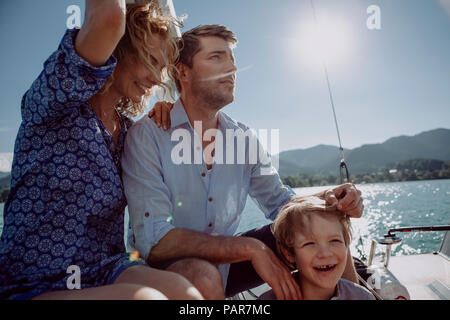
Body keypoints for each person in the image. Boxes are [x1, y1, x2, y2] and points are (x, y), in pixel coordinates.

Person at [122, 24, 364, 300]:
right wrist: (251, 248)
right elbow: (154, 241)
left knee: (325, 220)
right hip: (166, 271)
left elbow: (281, 203)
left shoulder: (243, 139)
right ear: (183, 72)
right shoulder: (148, 136)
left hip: (229, 263)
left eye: (232, 61)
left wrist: (332, 198)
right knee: (202, 275)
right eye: (216, 57)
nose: (232, 69)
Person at [0, 0, 203, 300]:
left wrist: (169, 113)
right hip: (33, 279)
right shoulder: (53, 104)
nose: (156, 78)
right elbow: (108, 16)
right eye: (149, 58)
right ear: (117, 48)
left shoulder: (130, 134)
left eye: (161, 67)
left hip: (105, 268)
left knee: (187, 294)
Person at [258, 196, 375, 300]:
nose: (325, 254)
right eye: (309, 243)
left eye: (335, 240)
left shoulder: (363, 297)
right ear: (290, 254)